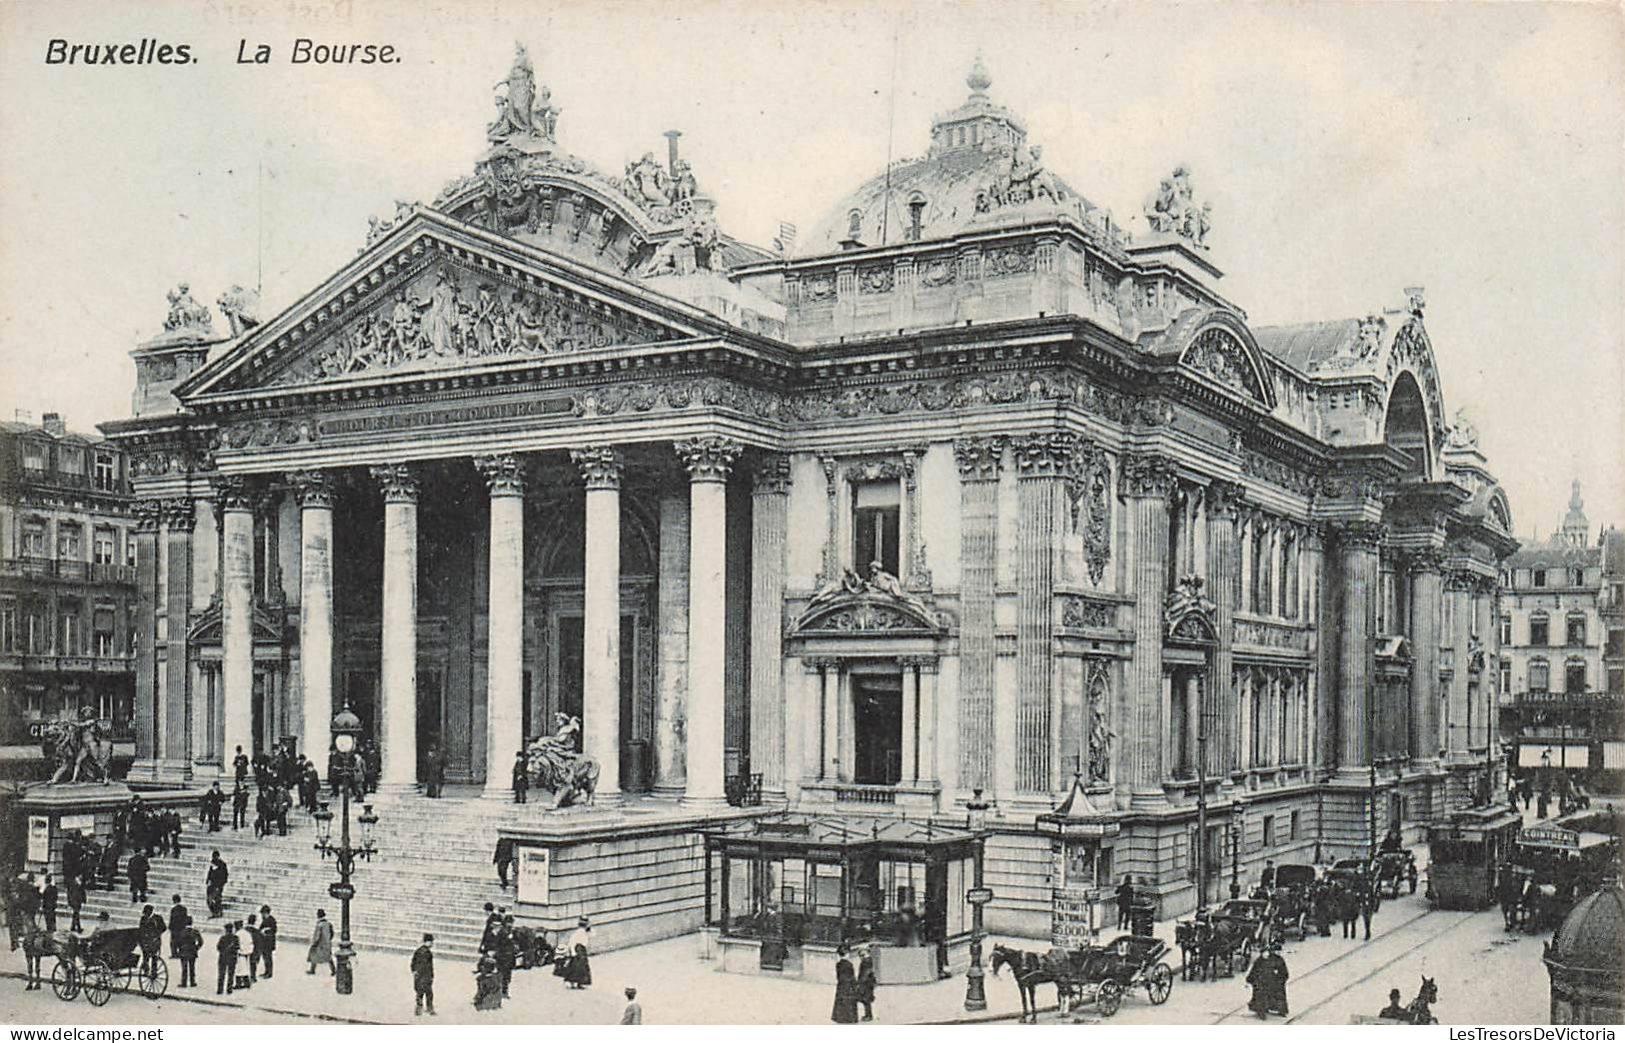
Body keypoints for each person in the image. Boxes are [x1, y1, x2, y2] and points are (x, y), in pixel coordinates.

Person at [1246, 944, 1290, 1018]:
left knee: (1278, 993)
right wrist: (1252, 979)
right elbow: (1254, 971)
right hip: (1262, 982)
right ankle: (1261, 1010)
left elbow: (1284, 972)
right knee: (1261, 993)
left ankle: (1280, 1009)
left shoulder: (1278, 959)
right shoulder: (1260, 960)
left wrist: (1281, 979)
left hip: (1275, 981)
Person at [831, 944, 859, 1023]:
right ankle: (849, 1018)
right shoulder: (849, 964)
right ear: (847, 954)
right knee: (849, 1002)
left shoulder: (838, 964)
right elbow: (851, 976)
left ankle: (839, 1017)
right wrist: (855, 984)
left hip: (841, 985)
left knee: (841, 1001)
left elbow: (838, 976)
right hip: (849, 985)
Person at [564, 916, 593, 988]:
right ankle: (573, 982)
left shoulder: (585, 932)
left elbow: (592, 935)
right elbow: (572, 942)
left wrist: (590, 929)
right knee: (576, 967)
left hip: (582, 950)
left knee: (582, 967)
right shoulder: (578, 933)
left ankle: (579, 982)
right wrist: (573, 952)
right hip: (578, 950)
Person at [138, 904, 166, 977]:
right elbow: (141, 929)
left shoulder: (158, 918)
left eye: (147, 913)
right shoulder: (143, 919)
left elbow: (164, 928)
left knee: (154, 957)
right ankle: (146, 970)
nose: (146, 915)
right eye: (145, 913)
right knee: (145, 955)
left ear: (151, 912)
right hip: (145, 941)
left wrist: (157, 934)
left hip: (155, 941)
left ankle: (154, 971)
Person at [412, 932, 436, 1015]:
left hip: (419, 976)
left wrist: (414, 972)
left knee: (420, 993)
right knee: (429, 993)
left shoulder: (418, 951)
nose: (432, 944)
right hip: (425, 976)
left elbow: (413, 962)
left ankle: (419, 1009)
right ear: (427, 942)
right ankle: (429, 1009)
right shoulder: (427, 953)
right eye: (431, 942)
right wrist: (431, 975)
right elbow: (428, 966)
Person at [494, 915, 516, 997]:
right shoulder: (502, 932)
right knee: (502, 975)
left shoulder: (509, 931)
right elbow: (499, 944)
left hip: (508, 957)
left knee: (507, 976)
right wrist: (508, 938)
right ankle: (502, 992)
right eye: (510, 923)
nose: (511, 925)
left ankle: (504, 991)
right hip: (502, 957)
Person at [308, 909, 335, 975]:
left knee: (314, 955)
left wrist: (314, 943)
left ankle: (312, 970)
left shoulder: (319, 925)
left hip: (320, 944)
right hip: (327, 943)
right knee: (328, 957)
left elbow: (317, 936)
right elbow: (332, 933)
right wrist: (328, 940)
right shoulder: (328, 924)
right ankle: (333, 970)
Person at [177, 919, 202, 989]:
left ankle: (184, 982)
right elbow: (201, 942)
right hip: (192, 951)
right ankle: (192, 982)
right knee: (192, 967)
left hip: (184, 951)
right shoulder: (195, 932)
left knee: (184, 968)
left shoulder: (182, 931)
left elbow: (177, 942)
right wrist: (196, 948)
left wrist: (180, 948)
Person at [216, 924, 240, 995]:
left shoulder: (223, 938)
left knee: (221, 974)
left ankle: (220, 990)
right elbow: (237, 947)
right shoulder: (235, 938)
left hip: (223, 957)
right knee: (231, 974)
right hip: (232, 958)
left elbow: (218, 947)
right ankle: (229, 989)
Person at [857, 944, 877, 1021]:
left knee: (866, 1000)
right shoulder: (867, 960)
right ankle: (868, 1015)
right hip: (867, 982)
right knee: (865, 1000)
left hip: (866, 983)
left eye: (861, 951)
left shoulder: (867, 960)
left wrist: (860, 982)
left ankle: (869, 1016)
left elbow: (866, 973)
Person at [206, 851, 228, 918]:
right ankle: (215, 912)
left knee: (216, 899)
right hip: (212, 884)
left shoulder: (222, 865)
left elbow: (225, 875)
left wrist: (220, 885)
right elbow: (210, 872)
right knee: (209, 900)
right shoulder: (212, 863)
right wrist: (208, 879)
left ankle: (218, 912)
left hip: (218, 885)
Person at [259, 905, 277, 978]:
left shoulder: (272, 920)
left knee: (268, 958)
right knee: (265, 957)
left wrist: (266, 931)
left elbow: (274, 930)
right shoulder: (264, 920)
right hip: (264, 942)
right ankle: (266, 971)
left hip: (269, 942)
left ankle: (269, 973)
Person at [245, 914, 263, 981]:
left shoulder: (244, 930)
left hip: (244, 948)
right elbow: (259, 943)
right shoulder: (257, 932)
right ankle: (253, 976)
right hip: (254, 949)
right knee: (253, 963)